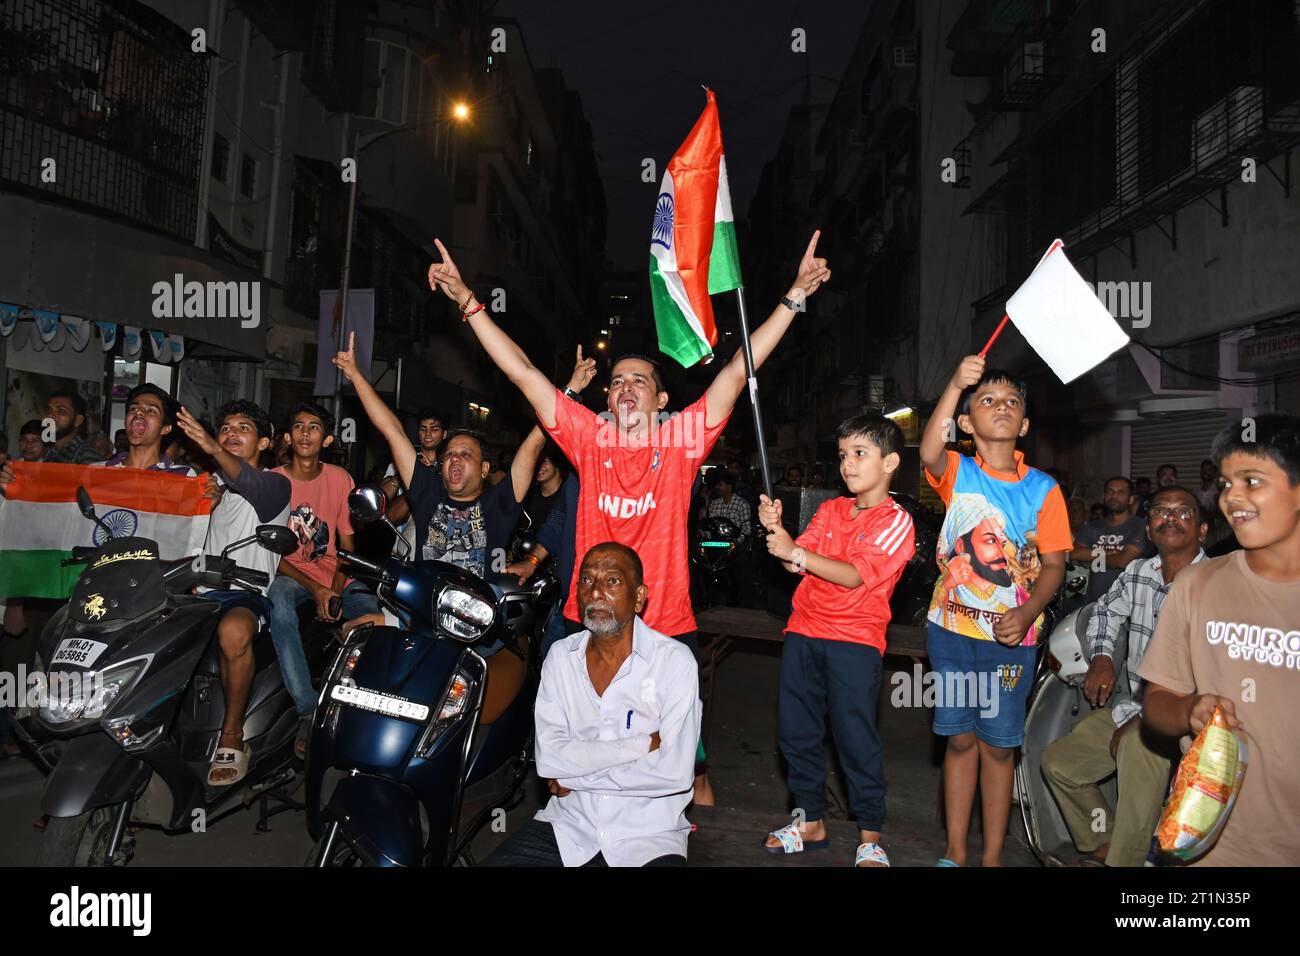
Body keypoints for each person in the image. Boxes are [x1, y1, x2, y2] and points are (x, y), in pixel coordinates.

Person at [428, 231, 830, 804]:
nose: (623, 388)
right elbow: (521, 372)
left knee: (678, 756)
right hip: (586, 618)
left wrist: (792, 297)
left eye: (638, 380)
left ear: (661, 401)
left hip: (663, 620)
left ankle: (688, 804)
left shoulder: (683, 440)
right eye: (616, 381)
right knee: (579, 763)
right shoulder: (588, 438)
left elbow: (739, 372)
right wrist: (467, 300)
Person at [919, 355, 1070, 867]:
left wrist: (1027, 614)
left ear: (1024, 423)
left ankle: (991, 859)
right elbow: (928, 446)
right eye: (986, 400)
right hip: (952, 633)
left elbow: (1053, 567)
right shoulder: (957, 472)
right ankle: (956, 852)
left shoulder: (1044, 490)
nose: (1000, 407)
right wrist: (954, 382)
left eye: (1011, 402)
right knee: (960, 740)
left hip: (1011, 639)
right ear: (967, 422)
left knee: (999, 747)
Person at [1139, 415, 1300, 866]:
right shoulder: (1197, 584)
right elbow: (1157, 702)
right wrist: (1188, 710)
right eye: (1227, 483)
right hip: (1206, 842)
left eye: (1252, 481)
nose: (1234, 497)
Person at [758, 414, 915, 867]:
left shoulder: (895, 520)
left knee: (854, 739)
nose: (847, 464)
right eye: (844, 455)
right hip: (804, 632)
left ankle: (870, 835)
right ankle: (809, 823)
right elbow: (794, 565)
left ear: (889, 463)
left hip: (854, 641)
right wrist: (780, 532)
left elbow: (852, 576)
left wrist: (798, 552)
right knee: (796, 732)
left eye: (860, 454)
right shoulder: (829, 510)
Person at [484, 543, 700, 867]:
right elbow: (550, 759)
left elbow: (675, 772)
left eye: (612, 581)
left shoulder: (674, 662)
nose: (596, 591)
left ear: (639, 597)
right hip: (569, 828)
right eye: (586, 581)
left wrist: (576, 778)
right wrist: (641, 744)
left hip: (648, 838)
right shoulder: (560, 657)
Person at [1041, 485, 1207, 867]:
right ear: (1148, 530)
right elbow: (1103, 612)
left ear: (1201, 530)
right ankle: (1111, 838)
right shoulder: (1139, 572)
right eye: (1161, 511)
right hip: (1133, 705)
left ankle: (1124, 861)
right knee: (1060, 763)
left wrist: (1142, 720)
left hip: (1188, 719)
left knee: (1137, 745)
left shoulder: (1214, 583)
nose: (1170, 517)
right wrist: (1102, 658)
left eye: (1183, 512)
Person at [332, 333, 543, 592]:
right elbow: (391, 430)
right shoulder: (427, 491)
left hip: (477, 619)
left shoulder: (500, 503)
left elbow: (533, 447)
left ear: (485, 468)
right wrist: (355, 375)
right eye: (450, 454)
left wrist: (569, 393)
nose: (454, 458)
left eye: (465, 454)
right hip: (422, 613)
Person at [176, 402, 291, 786]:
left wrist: (211, 447)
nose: (230, 433)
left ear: (264, 442)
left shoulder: (275, 484)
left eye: (242, 428)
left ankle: (232, 733)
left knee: (234, 633)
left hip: (244, 592)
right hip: (195, 590)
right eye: (224, 428)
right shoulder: (208, 485)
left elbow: (249, 483)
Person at [269, 403, 379, 750]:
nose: (305, 433)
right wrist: (316, 589)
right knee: (279, 604)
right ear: (288, 437)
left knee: (378, 618)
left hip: (338, 576)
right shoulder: (273, 481)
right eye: (298, 426)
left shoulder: (340, 478)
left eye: (314, 427)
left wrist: (331, 591)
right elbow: (270, 552)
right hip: (290, 574)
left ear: (327, 439)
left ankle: (362, 704)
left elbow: (347, 546)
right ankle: (308, 707)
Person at [1070, 476, 1146, 603]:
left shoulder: (1140, 526)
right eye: (1110, 491)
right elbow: (1075, 553)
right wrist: (1107, 553)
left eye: (1120, 492)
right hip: (1095, 602)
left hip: (1128, 603)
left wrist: (1090, 559)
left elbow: (1122, 561)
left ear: (1131, 499)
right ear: (1104, 496)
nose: (1114, 496)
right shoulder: (1093, 526)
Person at [96, 384, 195, 475]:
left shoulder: (182, 475)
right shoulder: (97, 471)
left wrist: (211, 448)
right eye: (133, 408)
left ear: (165, 428)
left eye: (151, 410)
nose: (138, 412)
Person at [37, 389, 102, 464]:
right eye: (48, 410)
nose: (50, 415)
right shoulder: (49, 452)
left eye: (61, 411)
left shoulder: (86, 456)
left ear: (77, 420)